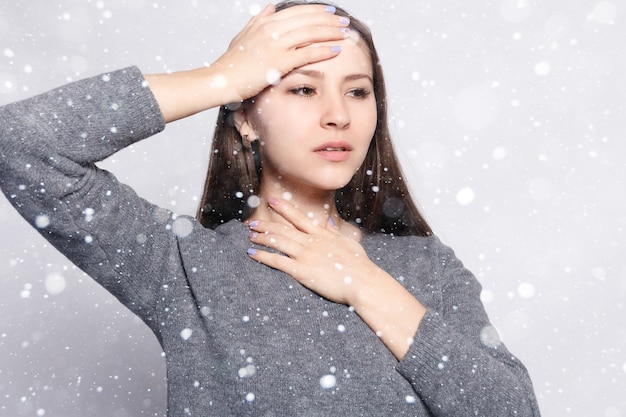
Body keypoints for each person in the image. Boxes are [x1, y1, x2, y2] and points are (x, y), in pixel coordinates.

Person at [0, 1, 541, 416]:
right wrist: (223, 78)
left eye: (357, 91)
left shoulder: (427, 268)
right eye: (304, 89)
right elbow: (21, 141)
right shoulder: (184, 267)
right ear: (246, 119)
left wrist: (366, 284)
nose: (337, 115)